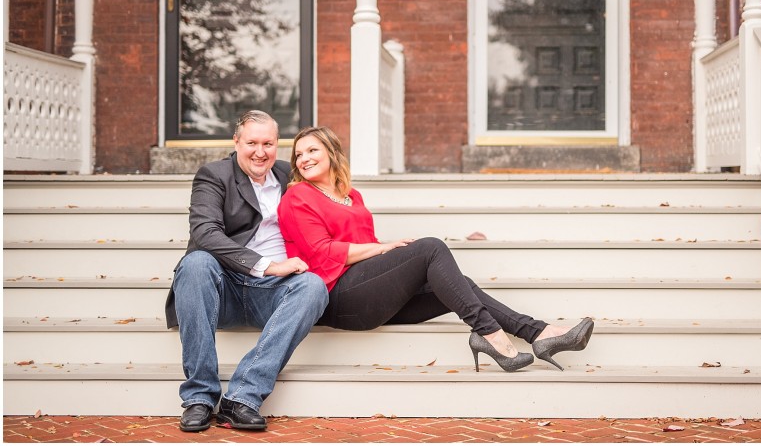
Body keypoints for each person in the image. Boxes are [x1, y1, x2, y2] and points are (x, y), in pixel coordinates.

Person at [277, 126, 593, 373]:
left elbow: (365, 250)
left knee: (458, 284)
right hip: (336, 298)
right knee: (429, 248)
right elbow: (320, 253)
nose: (303, 159)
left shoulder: (352, 196)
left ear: (332, 152)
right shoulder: (298, 196)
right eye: (298, 154)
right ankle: (491, 334)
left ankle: (539, 333)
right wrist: (383, 248)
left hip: (366, 293)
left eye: (311, 150)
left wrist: (386, 254)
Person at [164, 111, 328, 433]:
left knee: (313, 286)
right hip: (221, 286)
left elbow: (330, 200)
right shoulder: (214, 175)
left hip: (270, 293)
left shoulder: (287, 174)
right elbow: (206, 233)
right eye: (251, 142)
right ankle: (199, 397)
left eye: (268, 143)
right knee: (196, 262)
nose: (260, 152)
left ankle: (241, 398)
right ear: (236, 142)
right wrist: (268, 265)